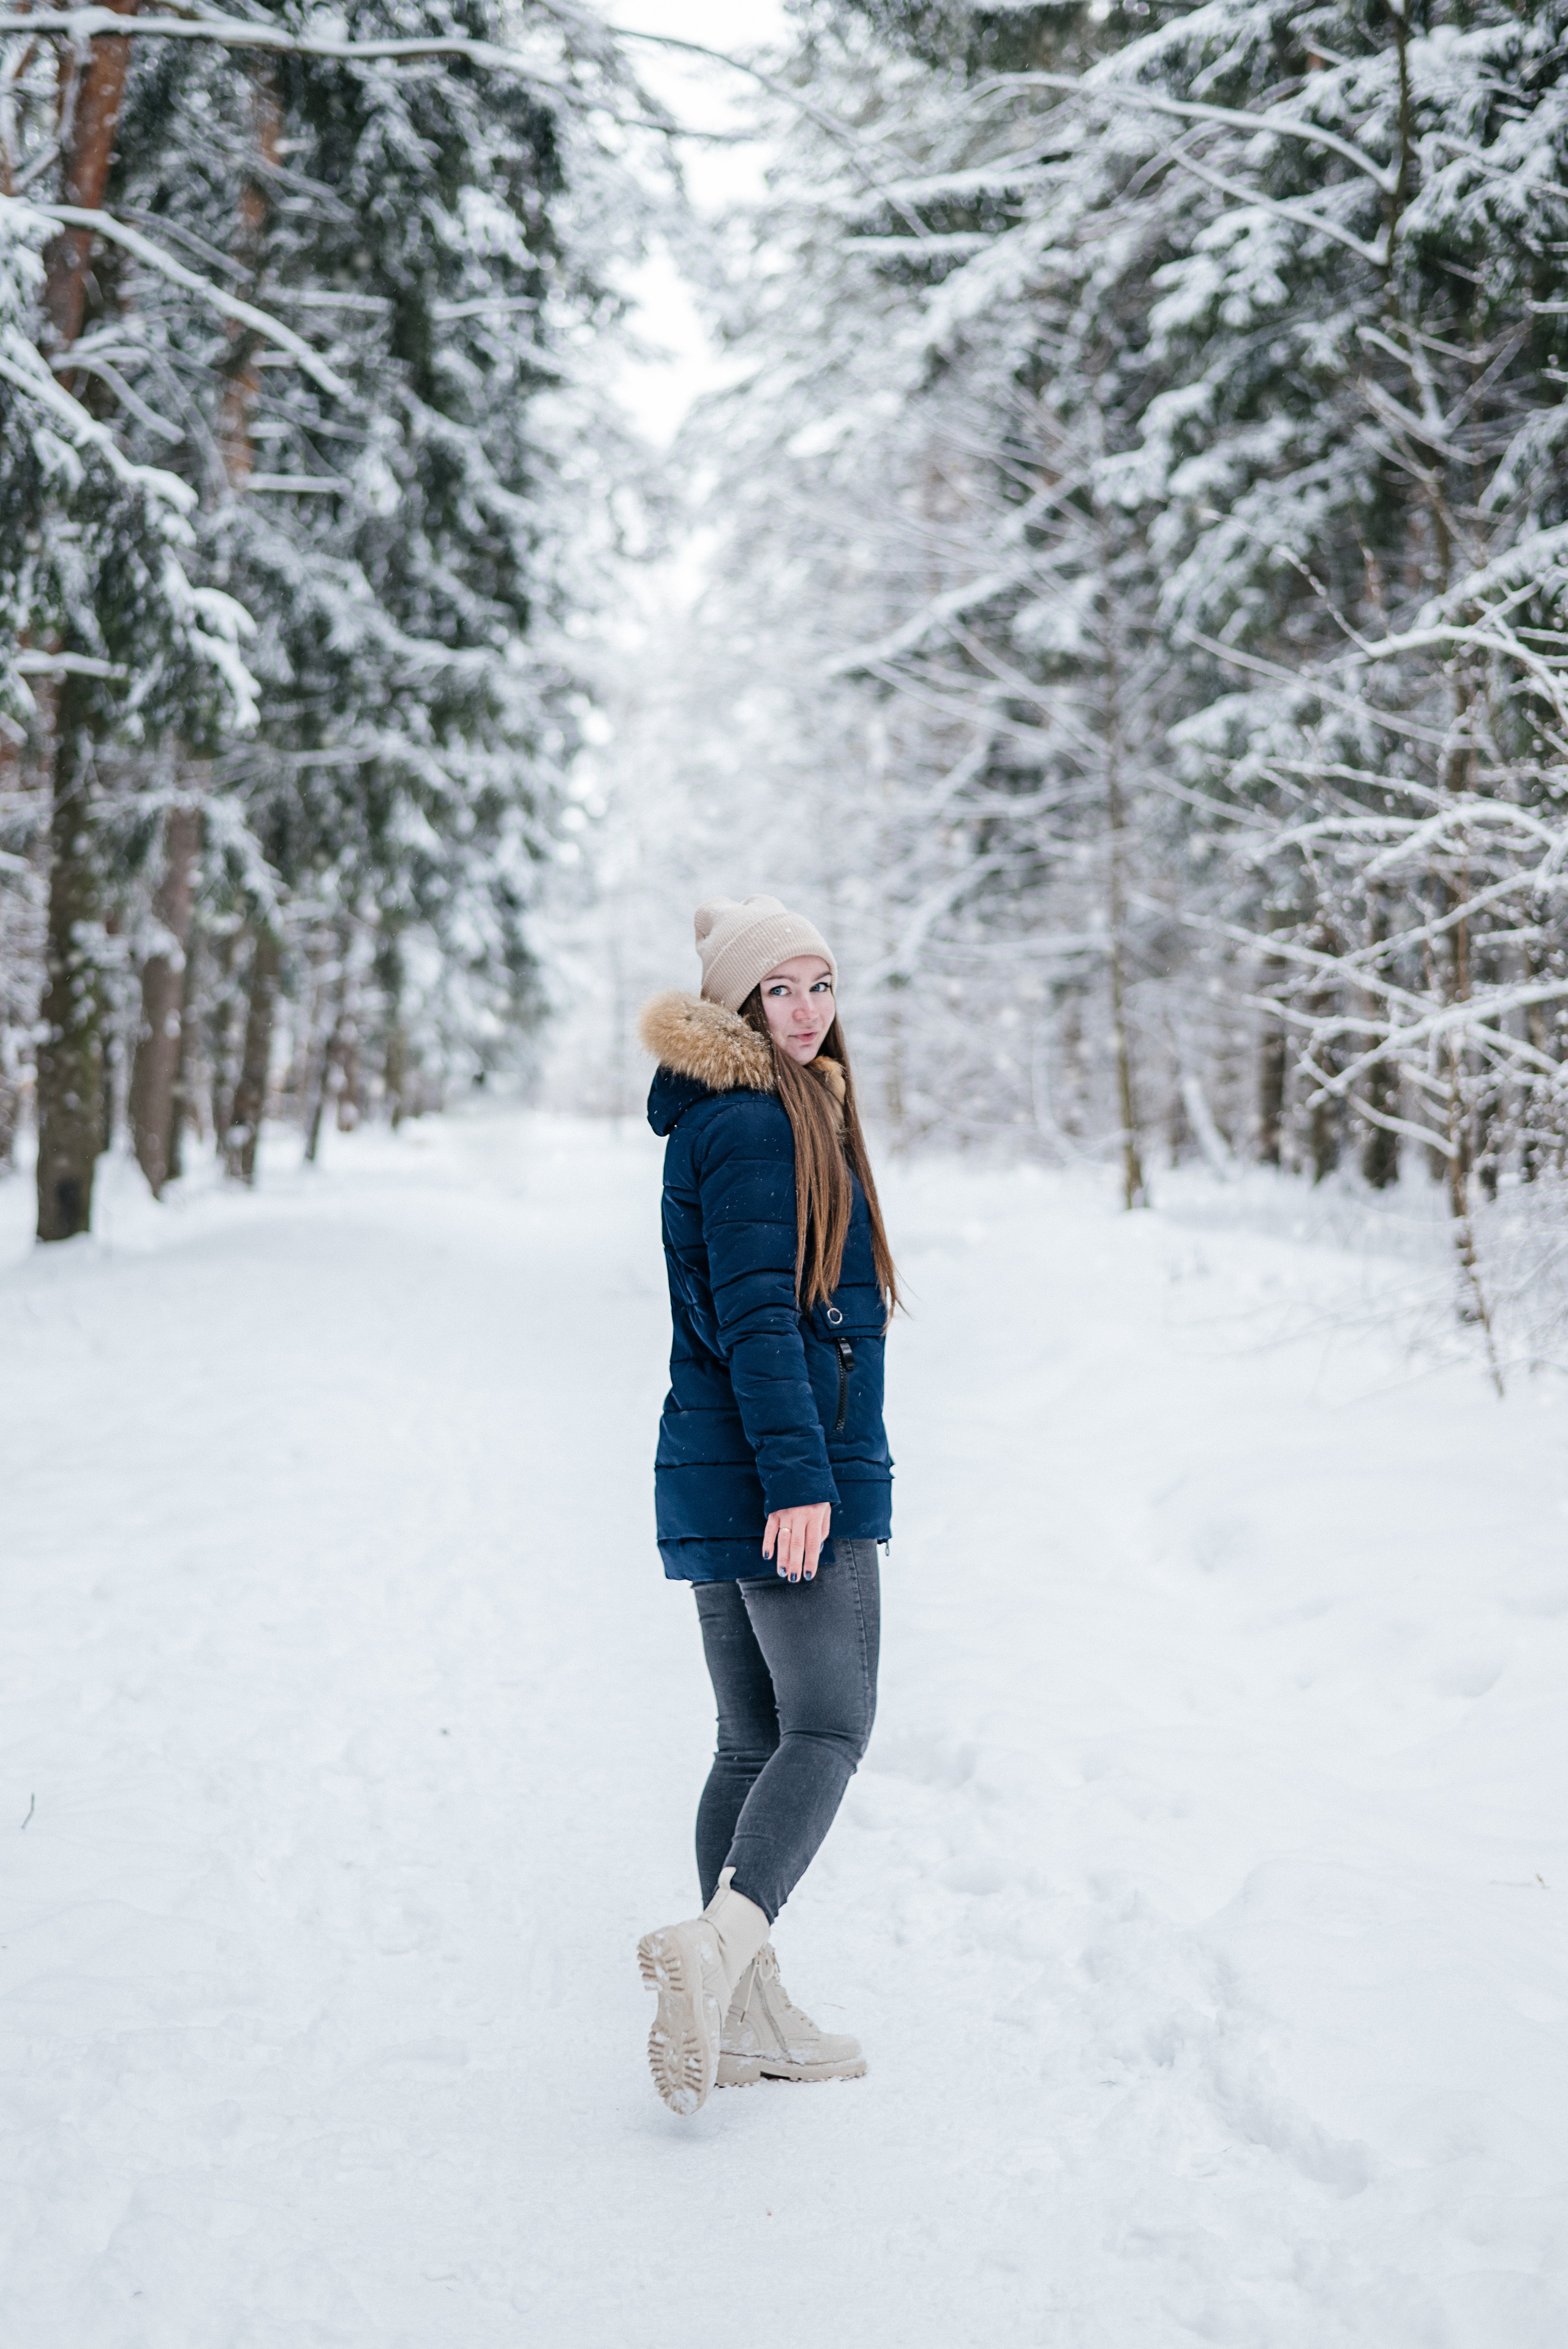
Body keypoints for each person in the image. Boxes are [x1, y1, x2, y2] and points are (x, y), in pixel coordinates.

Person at [635, 894, 900, 2116]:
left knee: (752, 1739)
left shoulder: (744, 1113)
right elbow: (757, 1317)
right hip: (780, 1476)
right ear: (736, 1005)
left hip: (721, 1467)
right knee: (830, 1727)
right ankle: (720, 1946)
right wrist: (802, 1478)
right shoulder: (750, 1125)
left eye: (820, 986)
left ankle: (742, 2015)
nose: (803, 1013)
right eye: (777, 991)